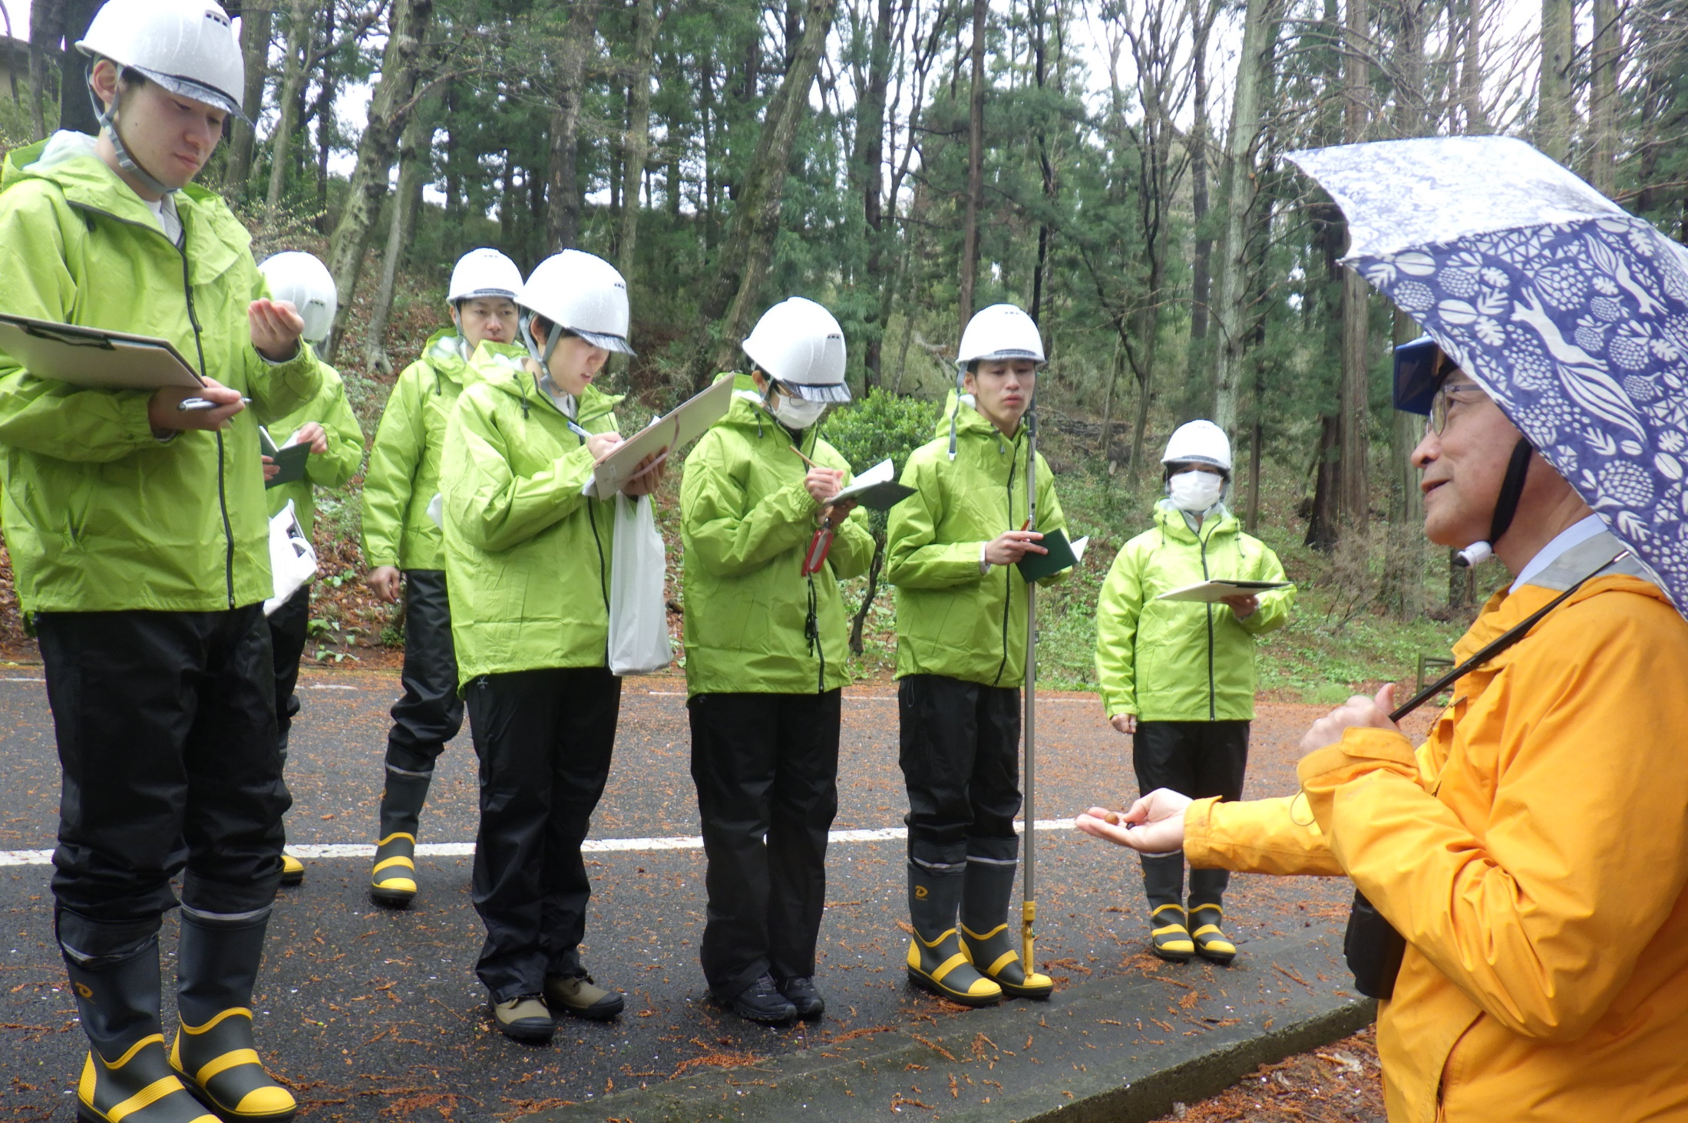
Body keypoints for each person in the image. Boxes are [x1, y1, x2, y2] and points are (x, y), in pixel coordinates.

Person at [1079, 340, 1688, 1121]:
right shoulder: (1541, 626)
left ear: (1558, 420)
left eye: (1456, 405)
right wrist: (1199, 821)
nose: (1421, 447)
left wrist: (1363, 773)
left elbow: (1540, 965)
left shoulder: (1622, 647)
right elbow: (1433, 816)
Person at [0, 1, 322, 1119]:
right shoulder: (39, 216)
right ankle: (123, 1055)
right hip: (109, 578)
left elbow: (264, 400)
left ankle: (217, 1033)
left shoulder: (222, 232)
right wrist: (148, 420)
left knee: (244, 813)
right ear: (106, 83)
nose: (197, 136)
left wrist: (280, 363)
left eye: (216, 120)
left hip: (232, 576)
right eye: (178, 108)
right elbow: (8, 395)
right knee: (125, 826)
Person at [439, 249, 665, 1043]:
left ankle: (559, 958)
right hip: (512, 646)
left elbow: (587, 521)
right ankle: (510, 972)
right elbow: (486, 514)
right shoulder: (484, 406)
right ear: (538, 329)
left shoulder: (589, 413)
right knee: (517, 809)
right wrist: (583, 468)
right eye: (585, 343)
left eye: (606, 348)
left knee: (569, 809)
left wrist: (626, 483)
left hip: (586, 644)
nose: (597, 358)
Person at [681, 297, 874, 1024]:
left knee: (805, 824)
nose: (810, 407)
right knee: (738, 829)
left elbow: (851, 560)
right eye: (801, 391)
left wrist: (843, 513)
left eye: (820, 397)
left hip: (813, 674)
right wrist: (799, 504)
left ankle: (793, 965)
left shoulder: (826, 456)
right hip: (735, 673)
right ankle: (737, 971)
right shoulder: (717, 449)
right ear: (760, 376)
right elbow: (716, 547)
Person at [884, 303, 1067, 1007]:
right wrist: (982, 555)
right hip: (937, 665)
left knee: (997, 801)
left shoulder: (1034, 467)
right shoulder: (930, 463)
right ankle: (932, 944)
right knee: (942, 804)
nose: (1013, 383)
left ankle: (989, 936)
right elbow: (902, 558)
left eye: (1024, 370)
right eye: (999, 370)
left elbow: (1045, 554)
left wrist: (1049, 559)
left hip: (1003, 667)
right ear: (968, 379)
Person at [1092, 420, 1292, 963]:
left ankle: (1207, 912)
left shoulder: (1251, 552)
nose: (1196, 478)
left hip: (1227, 707)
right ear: (1168, 477)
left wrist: (1254, 608)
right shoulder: (1141, 551)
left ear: (1224, 480)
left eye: (1208, 471)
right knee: (1159, 813)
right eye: (1186, 469)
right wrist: (1120, 697)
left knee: (1220, 812)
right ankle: (1164, 911)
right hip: (1161, 708)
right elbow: (1115, 626)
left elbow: (1280, 603)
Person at [360, 247, 522, 905]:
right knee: (430, 700)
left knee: (503, 716)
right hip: (434, 565)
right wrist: (381, 550)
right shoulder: (422, 381)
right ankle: (396, 839)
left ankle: (500, 847)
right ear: (456, 314)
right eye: (481, 310)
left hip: (506, 567)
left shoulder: (531, 384)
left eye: (505, 312)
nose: (493, 323)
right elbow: (392, 467)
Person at [253, 251, 366, 888]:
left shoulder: (324, 380)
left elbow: (346, 462)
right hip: (215, 552)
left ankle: (263, 834)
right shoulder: (222, 359)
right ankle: (188, 831)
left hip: (285, 560)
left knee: (274, 700)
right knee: (205, 697)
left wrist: (322, 450)